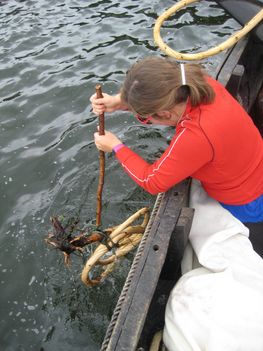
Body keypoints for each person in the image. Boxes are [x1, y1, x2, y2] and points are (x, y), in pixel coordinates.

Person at [90, 56, 263, 255]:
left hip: (249, 202)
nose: (146, 119)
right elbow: (159, 91)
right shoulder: (198, 82)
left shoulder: (196, 134)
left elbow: (152, 181)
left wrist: (115, 146)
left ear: (165, 114)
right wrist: (119, 101)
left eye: (147, 117)